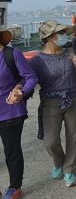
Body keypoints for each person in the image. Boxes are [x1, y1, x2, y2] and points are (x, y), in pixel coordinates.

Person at [29, 20, 76, 187]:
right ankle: (59, 162)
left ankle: (69, 170)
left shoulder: (69, 51)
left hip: (75, 98)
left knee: (73, 138)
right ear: (50, 37)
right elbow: (29, 80)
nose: (63, 36)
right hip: (51, 103)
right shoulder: (37, 60)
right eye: (60, 33)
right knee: (50, 141)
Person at [0, 26, 38, 199]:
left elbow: (30, 77)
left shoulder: (12, 54)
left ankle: (15, 186)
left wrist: (20, 91)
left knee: (11, 150)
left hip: (10, 110)